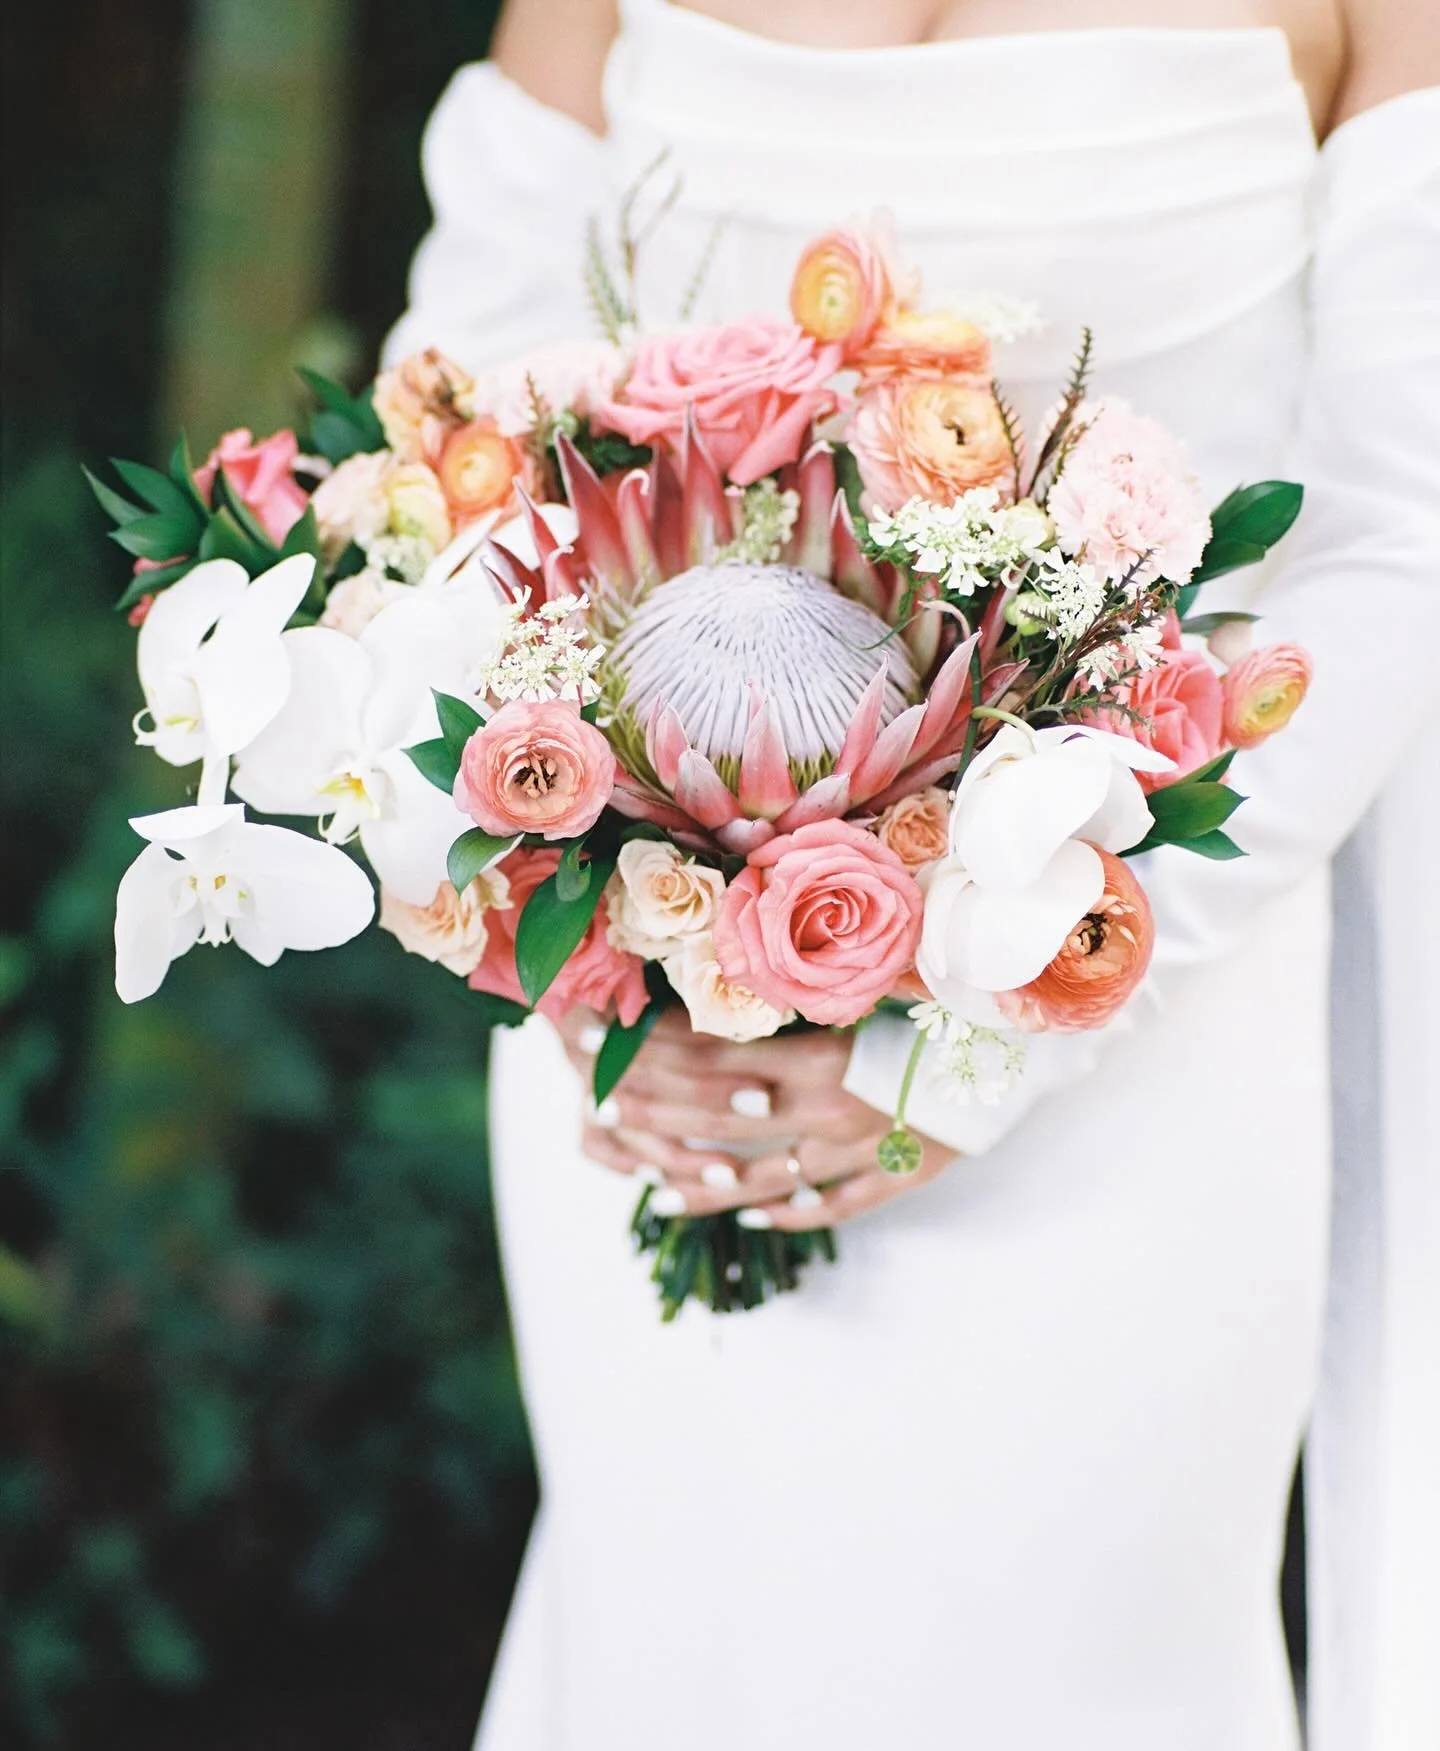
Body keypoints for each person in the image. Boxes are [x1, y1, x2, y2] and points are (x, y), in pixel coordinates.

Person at [385, 3, 1440, 1745]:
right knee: (680, 1652)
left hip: (1145, 1038)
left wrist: (1002, 1023)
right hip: (670, 1072)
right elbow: (453, 430)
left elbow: (1399, 527)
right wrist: (571, 929)